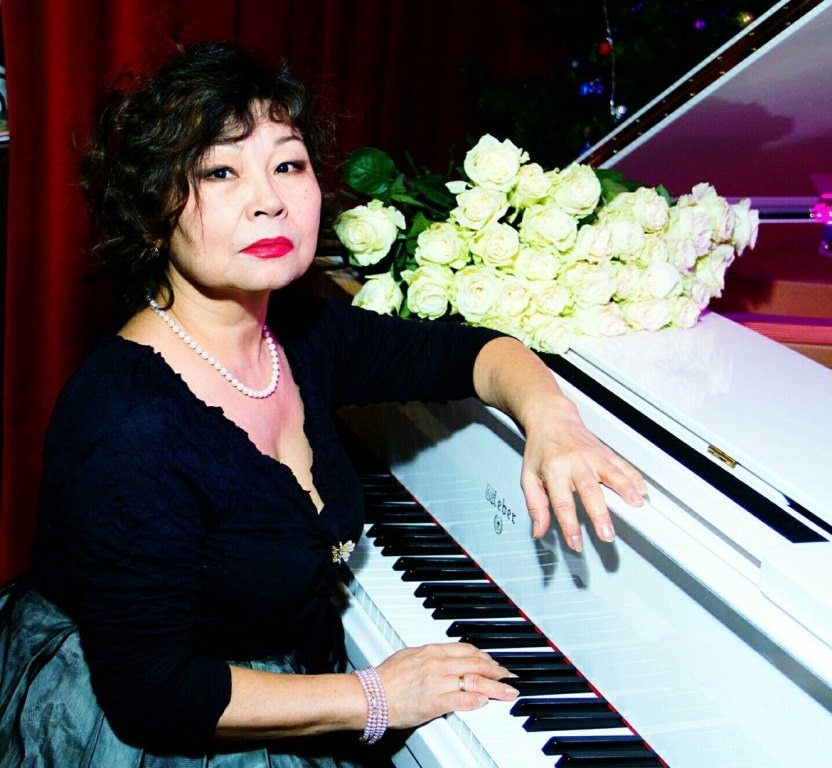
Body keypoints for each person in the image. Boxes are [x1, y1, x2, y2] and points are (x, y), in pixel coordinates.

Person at [0, 41, 646, 767]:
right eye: (220, 171)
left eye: (288, 164)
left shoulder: (303, 335)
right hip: (155, 718)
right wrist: (376, 695)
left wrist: (552, 419)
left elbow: (469, 353)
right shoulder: (126, 422)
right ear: (153, 216)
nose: (269, 199)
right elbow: (155, 694)